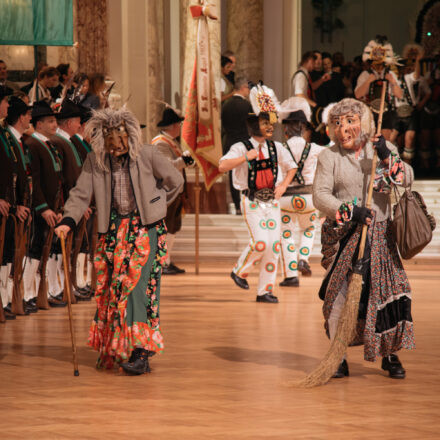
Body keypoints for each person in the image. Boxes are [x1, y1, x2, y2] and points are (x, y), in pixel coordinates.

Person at [54, 107, 184, 374]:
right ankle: (129, 347)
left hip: (146, 231)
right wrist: (67, 222)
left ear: (130, 138)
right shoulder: (95, 160)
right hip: (113, 233)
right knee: (114, 292)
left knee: (137, 287)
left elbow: (176, 181)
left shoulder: (147, 154)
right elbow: (80, 195)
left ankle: (141, 351)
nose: (116, 151)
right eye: (111, 147)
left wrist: (157, 205)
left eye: (121, 146)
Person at [313, 98, 414, 379]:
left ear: (364, 123)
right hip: (343, 236)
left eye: (350, 121)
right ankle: (338, 355)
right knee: (337, 297)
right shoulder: (328, 156)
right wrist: (350, 211)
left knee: (385, 295)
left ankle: (389, 353)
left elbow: (407, 178)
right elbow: (320, 196)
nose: (343, 127)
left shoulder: (382, 149)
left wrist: (385, 155)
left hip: (380, 234)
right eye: (337, 122)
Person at [219, 84, 297, 303]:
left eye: (270, 122)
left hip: (272, 201)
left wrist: (283, 186)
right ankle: (239, 270)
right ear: (254, 125)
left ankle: (265, 291)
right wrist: (245, 158)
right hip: (251, 201)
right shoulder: (241, 146)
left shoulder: (277, 148)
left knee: (273, 247)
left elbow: (292, 167)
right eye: (265, 122)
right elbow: (222, 166)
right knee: (261, 241)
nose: (270, 126)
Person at [22, 101, 66, 308]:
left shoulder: (49, 145)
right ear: (38, 124)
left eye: (55, 120)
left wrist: (58, 208)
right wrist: (43, 207)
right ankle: (27, 294)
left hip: (52, 207)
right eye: (50, 121)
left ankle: (41, 292)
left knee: (44, 250)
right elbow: (35, 181)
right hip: (40, 209)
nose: (54, 125)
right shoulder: (33, 145)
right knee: (34, 249)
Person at [278, 98, 324, 286]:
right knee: (309, 228)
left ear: (286, 129)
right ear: (303, 128)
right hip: (308, 197)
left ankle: (290, 275)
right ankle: (303, 257)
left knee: (286, 234)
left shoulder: (280, 148)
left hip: (286, 197)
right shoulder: (313, 148)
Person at [0, 95, 33, 317]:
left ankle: (5, 300)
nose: (7, 105)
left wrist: (19, 204)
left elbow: (15, 172)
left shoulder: (5, 135)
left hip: (11, 204)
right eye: (4, 100)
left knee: (8, 254)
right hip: (4, 203)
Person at [152, 106, 194, 275]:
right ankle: (162, 262)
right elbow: (166, 166)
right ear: (173, 126)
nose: (180, 127)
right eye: (178, 124)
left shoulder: (171, 142)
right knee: (166, 226)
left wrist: (186, 161)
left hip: (175, 191)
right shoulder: (160, 143)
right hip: (166, 192)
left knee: (173, 226)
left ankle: (166, 260)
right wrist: (183, 161)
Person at [355, 35, 403, 141]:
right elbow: (358, 95)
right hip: (369, 112)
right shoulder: (365, 74)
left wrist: (392, 81)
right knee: (370, 141)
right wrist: (368, 81)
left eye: (381, 64)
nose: (378, 67)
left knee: (385, 141)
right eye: (376, 64)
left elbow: (399, 95)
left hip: (387, 112)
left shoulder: (390, 75)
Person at [221, 77, 252, 214]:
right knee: (247, 174)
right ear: (243, 88)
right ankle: (246, 203)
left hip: (229, 142)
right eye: (248, 88)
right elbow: (252, 126)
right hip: (244, 143)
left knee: (233, 175)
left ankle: (237, 206)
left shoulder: (225, 105)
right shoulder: (246, 105)